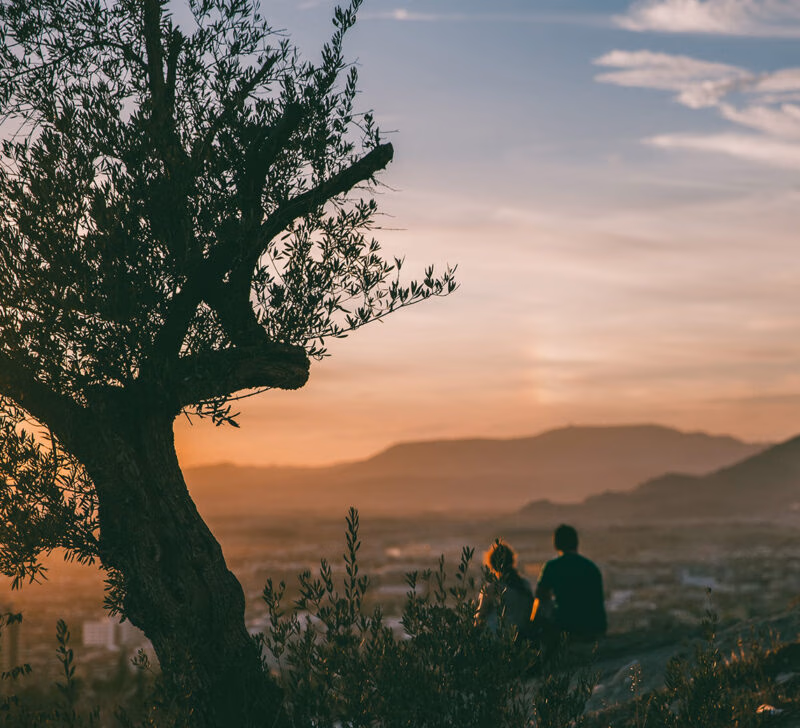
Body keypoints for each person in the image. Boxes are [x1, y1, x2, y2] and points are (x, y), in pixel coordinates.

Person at [529, 524, 607, 643]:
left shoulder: (552, 567)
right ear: (576, 543)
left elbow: (540, 596)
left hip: (567, 627)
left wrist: (531, 625)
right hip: (595, 627)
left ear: (556, 544)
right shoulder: (591, 567)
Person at [475, 539, 534, 641]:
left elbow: (480, 617)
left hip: (495, 638)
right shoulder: (525, 585)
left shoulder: (493, 588)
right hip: (520, 637)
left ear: (492, 564)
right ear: (512, 561)